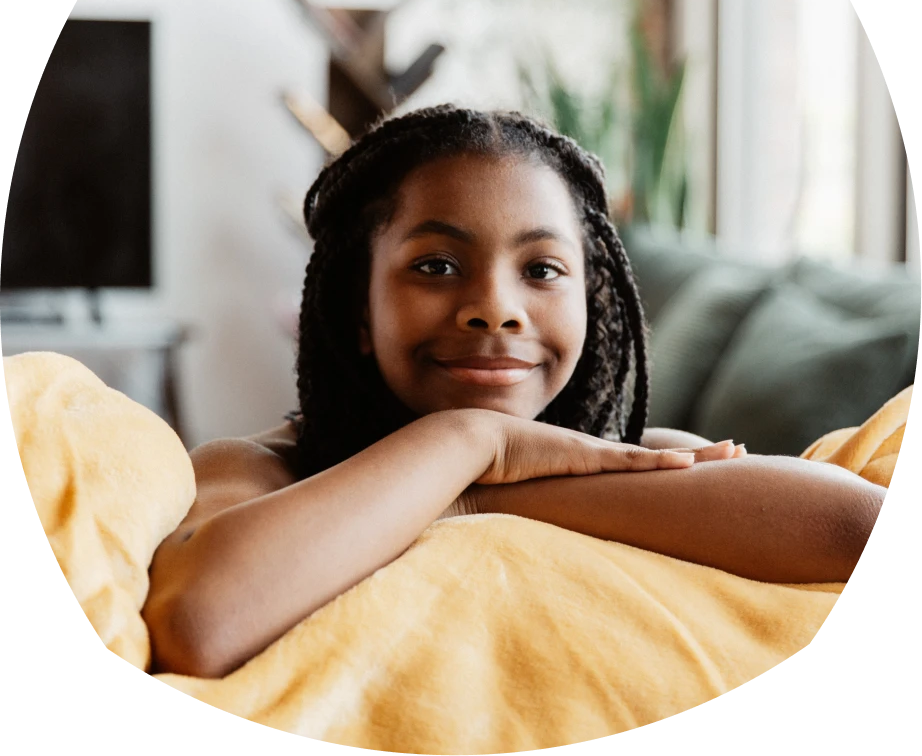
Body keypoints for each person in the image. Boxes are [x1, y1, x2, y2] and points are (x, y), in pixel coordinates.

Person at [143, 104, 886, 680]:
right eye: (435, 266)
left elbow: (856, 526)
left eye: (542, 269)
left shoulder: (632, 459)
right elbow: (201, 622)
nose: (495, 306)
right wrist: (469, 443)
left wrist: (479, 489)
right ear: (357, 313)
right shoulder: (261, 471)